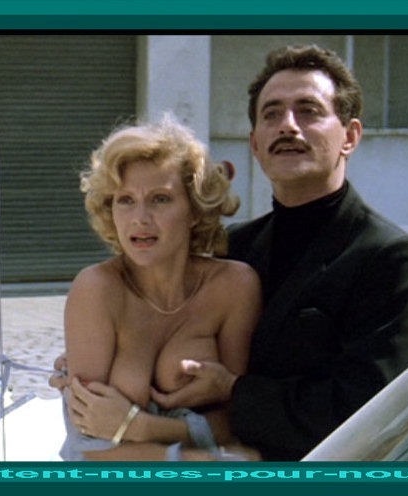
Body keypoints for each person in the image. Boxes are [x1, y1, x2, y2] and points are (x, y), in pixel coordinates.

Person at [58, 45, 408, 461]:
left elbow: (372, 412)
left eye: (308, 111)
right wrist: (94, 354)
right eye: (271, 114)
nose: (287, 125)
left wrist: (233, 392)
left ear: (350, 136)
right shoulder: (236, 248)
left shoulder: (389, 258)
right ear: (255, 143)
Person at [60, 116, 262, 461]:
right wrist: (187, 460)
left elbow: (237, 417)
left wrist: (140, 426)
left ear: (195, 210)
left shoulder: (235, 287)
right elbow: (89, 442)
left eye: (160, 199)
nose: (140, 218)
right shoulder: (95, 289)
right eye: (125, 200)